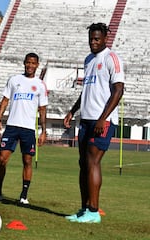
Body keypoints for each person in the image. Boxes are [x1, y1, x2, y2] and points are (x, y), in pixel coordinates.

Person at [63, 23, 124, 223]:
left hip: (102, 121)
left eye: (97, 39)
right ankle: (83, 210)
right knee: (83, 164)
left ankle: (94, 211)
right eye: (91, 39)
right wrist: (72, 111)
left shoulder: (111, 58)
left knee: (92, 161)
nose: (93, 42)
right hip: (86, 120)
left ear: (105, 38)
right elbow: (86, 91)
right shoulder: (88, 59)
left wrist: (103, 118)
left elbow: (118, 90)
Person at [0, 52, 48, 205]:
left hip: (28, 129)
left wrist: (43, 130)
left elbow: (42, 109)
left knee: (27, 161)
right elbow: (5, 100)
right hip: (12, 126)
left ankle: (23, 195)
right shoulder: (14, 80)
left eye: (33, 63)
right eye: (28, 62)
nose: (30, 65)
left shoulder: (40, 85)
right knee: (2, 159)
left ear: (37, 65)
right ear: (24, 63)